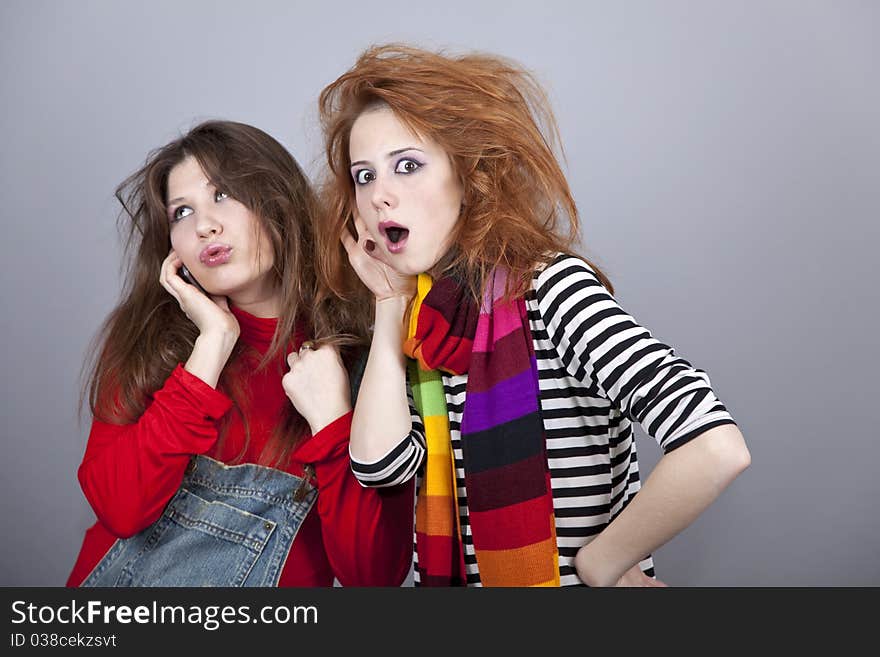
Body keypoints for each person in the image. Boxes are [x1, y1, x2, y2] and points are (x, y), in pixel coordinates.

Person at [315, 45, 751, 587]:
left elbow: (715, 445)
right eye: (364, 176)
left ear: (470, 175)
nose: (380, 196)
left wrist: (602, 561)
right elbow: (382, 468)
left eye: (408, 165)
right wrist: (387, 303)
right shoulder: (427, 324)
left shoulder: (551, 288)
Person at [67, 120, 413, 587]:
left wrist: (333, 420)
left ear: (279, 203)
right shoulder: (148, 341)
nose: (205, 224)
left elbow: (372, 575)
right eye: (181, 212)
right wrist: (210, 347)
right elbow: (121, 509)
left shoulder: (362, 366)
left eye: (223, 195)